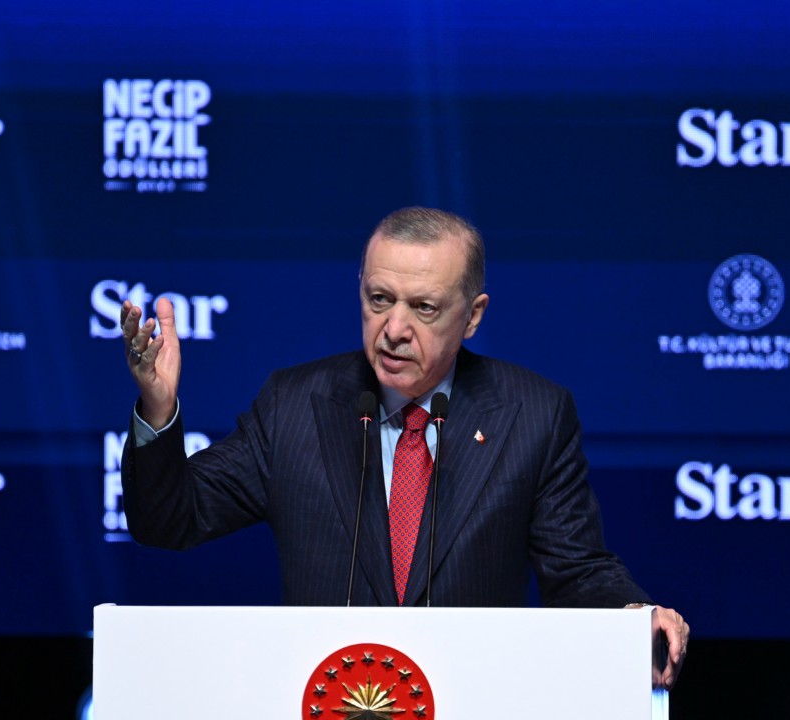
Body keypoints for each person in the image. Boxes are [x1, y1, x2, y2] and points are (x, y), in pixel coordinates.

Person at [119, 207, 689, 688]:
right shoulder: (295, 406)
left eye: (423, 307)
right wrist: (158, 409)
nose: (393, 329)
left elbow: (578, 569)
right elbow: (169, 520)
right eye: (379, 299)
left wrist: (633, 616)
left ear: (473, 316)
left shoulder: (534, 415)